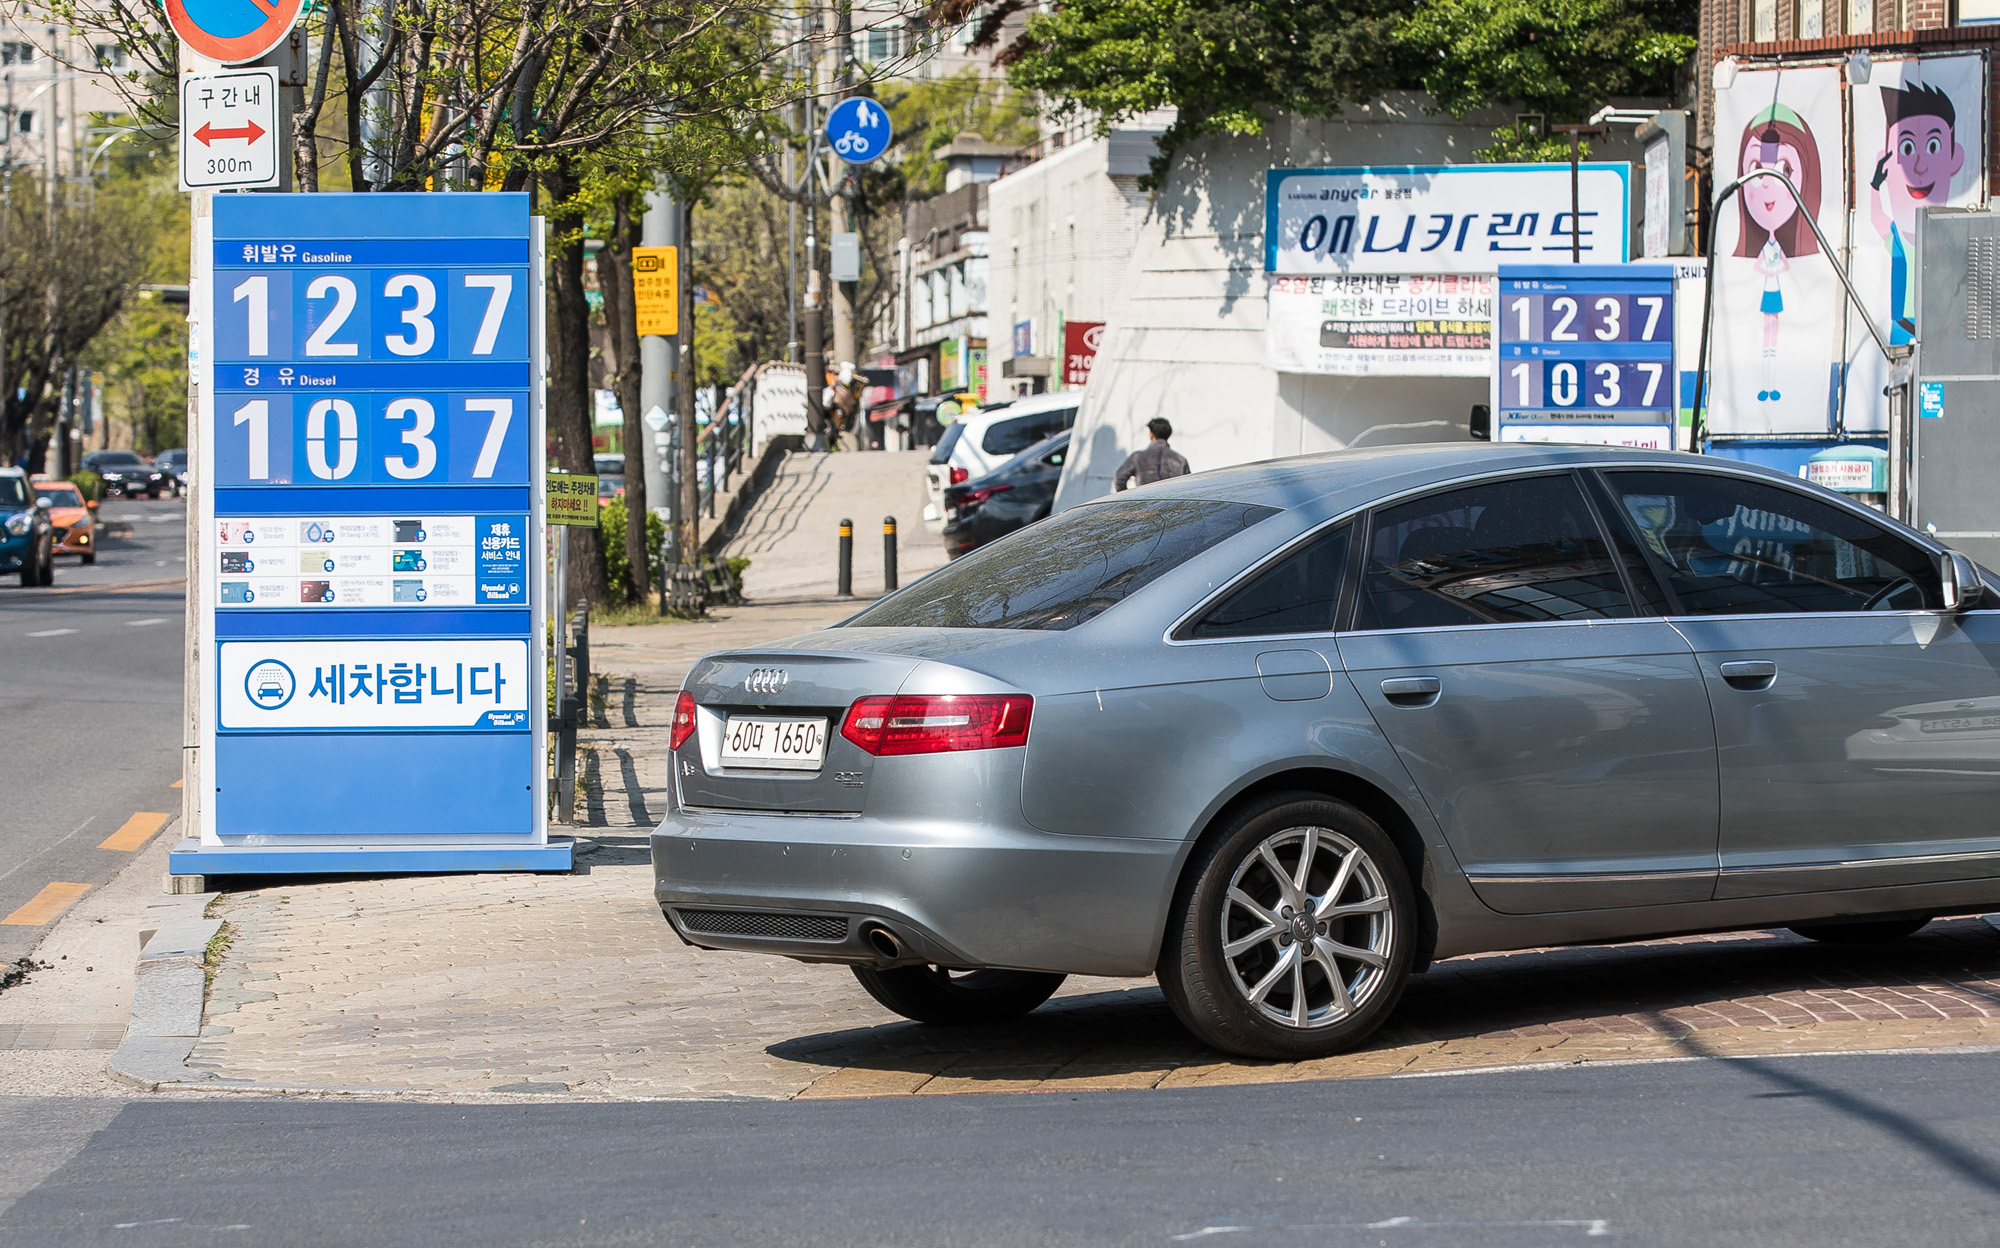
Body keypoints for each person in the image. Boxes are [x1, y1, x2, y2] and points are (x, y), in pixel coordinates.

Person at [1114, 417, 1191, 491]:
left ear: (1151, 434)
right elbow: (1188, 487)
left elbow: (1120, 478)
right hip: (1172, 503)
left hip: (1144, 501)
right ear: (1169, 434)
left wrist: (1128, 500)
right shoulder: (1180, 460)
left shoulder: (1137, 457)